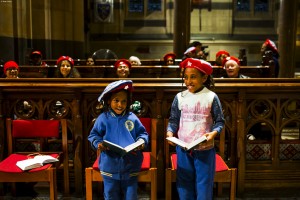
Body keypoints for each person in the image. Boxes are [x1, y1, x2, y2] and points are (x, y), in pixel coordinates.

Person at [166, 58, 225, 200]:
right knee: (184, 183)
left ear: (204, 78)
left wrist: (214, 133)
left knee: (204, 184)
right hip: (184, 148)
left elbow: (220, 121)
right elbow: (174, 119)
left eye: (193, 77)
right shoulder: (179, 97)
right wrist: (169, 132)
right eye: (185, 77)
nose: (188, 81)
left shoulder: (211, 96)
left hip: (205, 149)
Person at [87, 80, 149, 200]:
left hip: (131, 164)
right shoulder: (103, 118)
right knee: (110, 195)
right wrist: (98, 144)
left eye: (124, 101)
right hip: (109, 165)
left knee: (131, 196)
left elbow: (143, 134)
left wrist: (141, 142)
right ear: (109, 100)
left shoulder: (132, 118)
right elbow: (93, 135)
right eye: (116, 101)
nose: (120, 105)